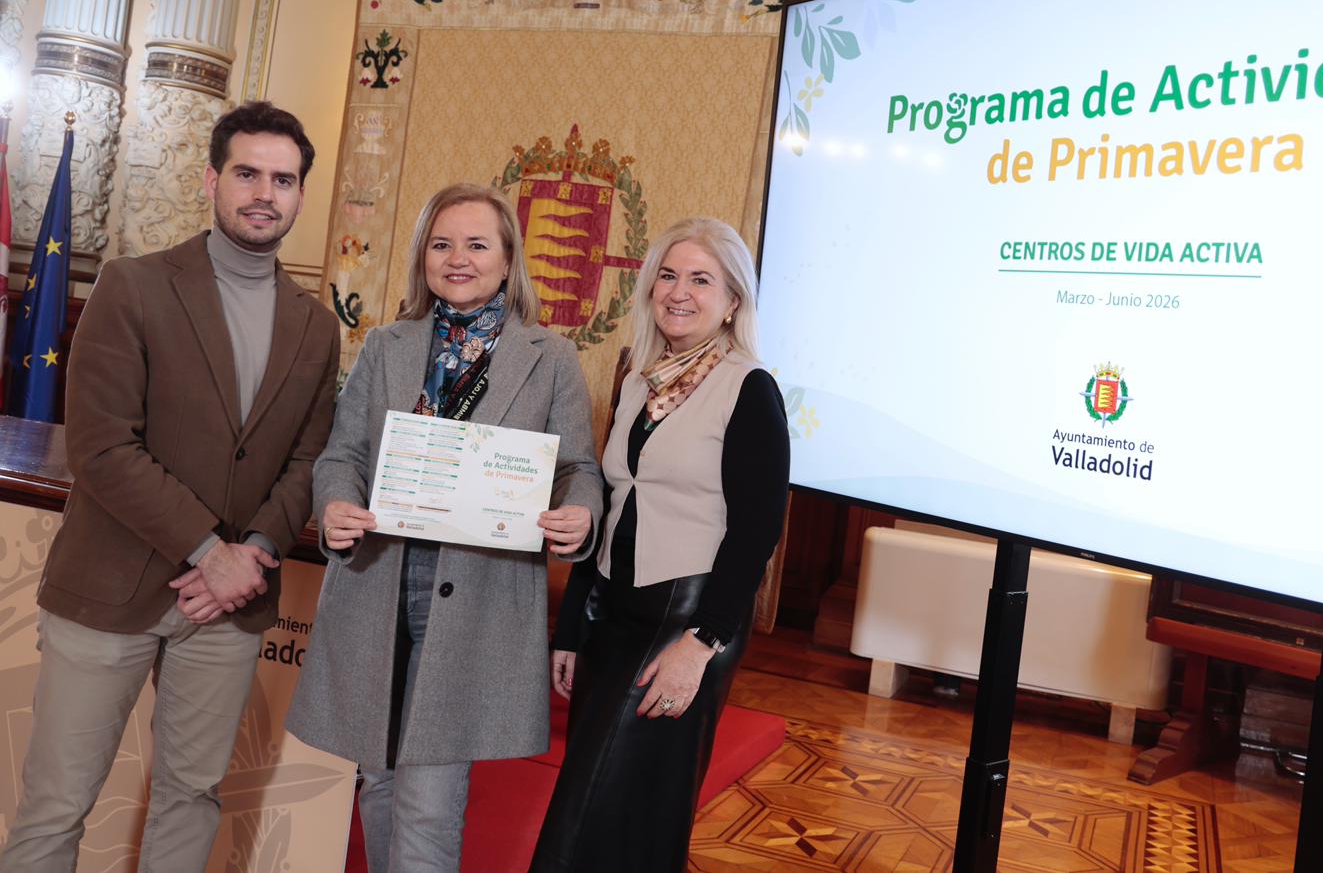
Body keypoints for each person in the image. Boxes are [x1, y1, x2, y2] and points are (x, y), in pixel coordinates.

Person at [0, 101, 340, 872]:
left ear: (299, 194)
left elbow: (308, 460)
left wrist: (252, 553)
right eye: (247, 173)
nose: (265, 193)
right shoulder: (133, 286)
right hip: (110, 586)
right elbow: (102, 448)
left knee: (192, 799)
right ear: (212, 181)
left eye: (283, 179)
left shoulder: (316, 326)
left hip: (229, 608)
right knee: (57, 807)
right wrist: (210, 552)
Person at [286, 182, 602, 873]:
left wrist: (580, 513)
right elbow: (342, 457)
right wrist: (335, 504)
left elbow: (579, 468)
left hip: (480, 597)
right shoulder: (385, 346)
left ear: (508, 259)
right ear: (422, 257)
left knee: (429, 797)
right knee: (378, 780)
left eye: (477, 244)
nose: (458, 258)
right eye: (441, 244)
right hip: (378, 585)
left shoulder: (550, 357)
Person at [531, 217, 790, 873]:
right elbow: (612, 501)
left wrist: (701, 645)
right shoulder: (639, 381)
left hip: (687, 621)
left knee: (594, 808)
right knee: (621, 807)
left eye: (701, 280)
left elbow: (757, 531)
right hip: (611, 615)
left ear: (732, 301)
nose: (679, 292)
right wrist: (571, 628)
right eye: (668, 276)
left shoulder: (749, 387)